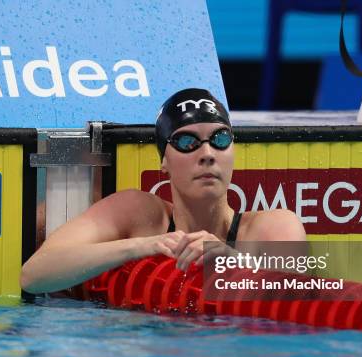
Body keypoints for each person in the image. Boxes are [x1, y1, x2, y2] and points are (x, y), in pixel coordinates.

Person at [21, 88, 306, 294]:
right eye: (186, 142)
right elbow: (35, 275)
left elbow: (299, 297)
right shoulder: (138, 214)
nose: (207, 153)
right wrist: (141, 247)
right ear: (164, 161)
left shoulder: (272, 228)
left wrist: (233, 260)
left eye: (219, 138)